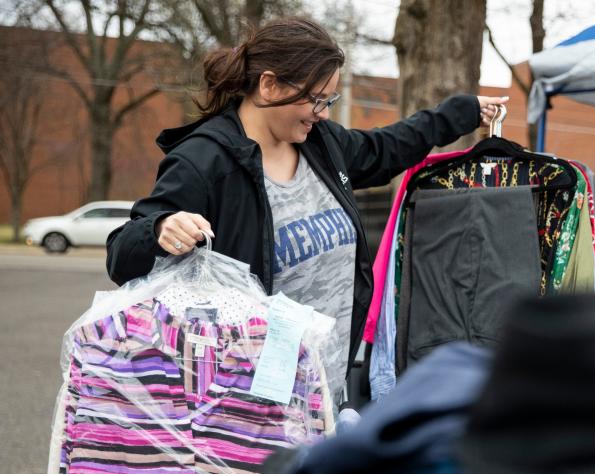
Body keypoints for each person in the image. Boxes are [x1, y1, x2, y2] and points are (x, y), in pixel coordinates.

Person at [106, 16, 508, 402]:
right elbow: (122, 254)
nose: (325, 113)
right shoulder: (204, 162)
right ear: (269, 86)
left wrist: (460, 113)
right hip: (248, 400)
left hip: (326, 387)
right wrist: (160, 227)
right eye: (316, 99)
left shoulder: (320, 143)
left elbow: (386, 148)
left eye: (329, 99)